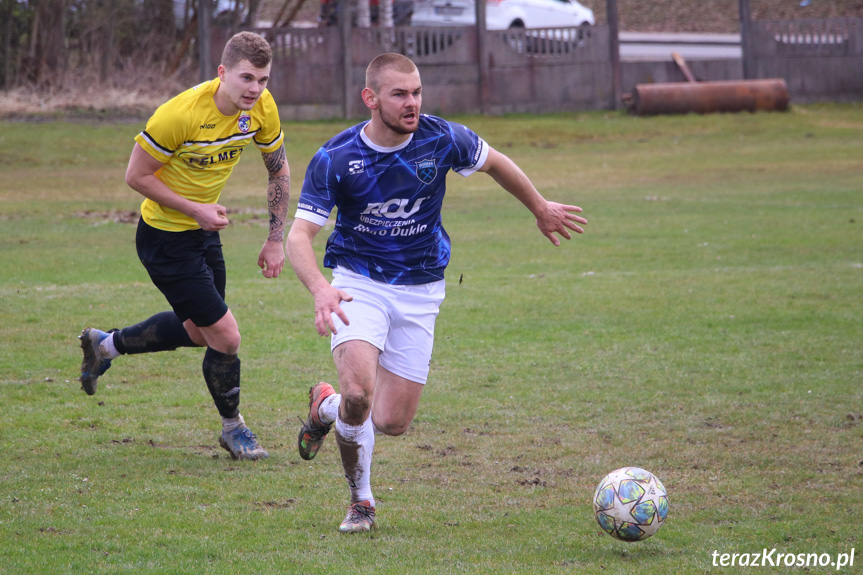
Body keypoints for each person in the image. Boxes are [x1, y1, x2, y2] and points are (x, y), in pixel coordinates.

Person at [287, 52, 587, 532]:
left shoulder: (441, 136)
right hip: (357, 282)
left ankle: (323, 406)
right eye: (400, 94)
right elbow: (298, 236)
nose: (413, 104)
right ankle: (360, 500)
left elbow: (495, 162)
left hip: (421, 288)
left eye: (417, 92)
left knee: (391, 421)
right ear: (371, 98)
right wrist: (321, 289)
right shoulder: (336, 158)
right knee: (359, 394)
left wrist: (540, 207)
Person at [78, 31, 290, 461]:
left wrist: (274, 238)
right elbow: (136, 177)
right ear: (222, 73)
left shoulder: (262, 108)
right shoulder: (180, 114)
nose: (255, 89)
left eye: (263, 80)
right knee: (227, 337)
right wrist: (195, 209)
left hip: (203, 232)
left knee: (200, 333)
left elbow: (279, 171)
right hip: (165, 239)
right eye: (247, 78)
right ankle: (234, 429)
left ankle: (105, 346)